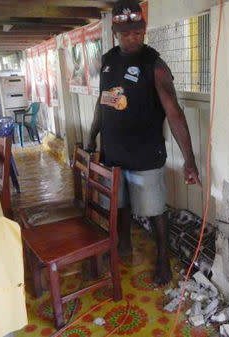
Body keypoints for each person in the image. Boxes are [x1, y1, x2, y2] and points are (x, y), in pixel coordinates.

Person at [86, 0, 200, 286]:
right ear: (115, 32)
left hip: (145, 154)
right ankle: (123, 244)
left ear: (144, 29)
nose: (132, 37)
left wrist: (190, 159)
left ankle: (162, 258)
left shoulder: (155, 65)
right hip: (113, 152)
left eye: (137, 32)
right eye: (126, 33)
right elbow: (103, 104)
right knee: (120, 204)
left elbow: (174, 113)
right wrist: (91, 137)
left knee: (154, 210)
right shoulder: (108, 61)